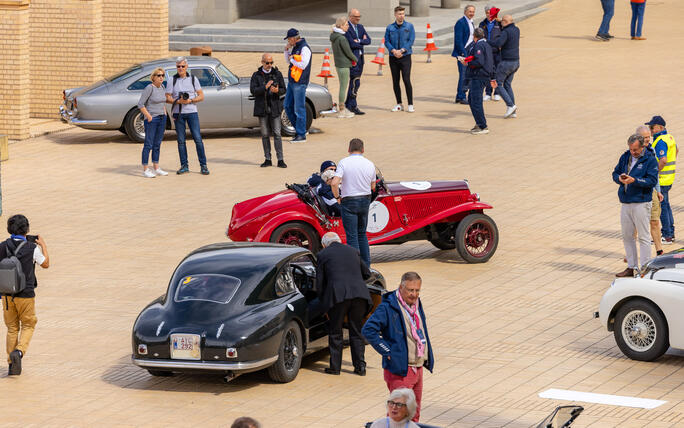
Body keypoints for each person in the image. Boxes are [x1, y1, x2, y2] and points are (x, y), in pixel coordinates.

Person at [362, 272, 434, 422]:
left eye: (417, 290)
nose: (414, 294)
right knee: (398, 416)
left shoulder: (416, 304)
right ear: (400, 287)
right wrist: (387, 351)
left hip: (417, 367)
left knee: (414, 414)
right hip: (400, 370)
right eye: (410, 290)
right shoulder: (388, 307)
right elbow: (368, 330)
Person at [316, 232, 372, 375]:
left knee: (335, 332)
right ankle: (360, 367)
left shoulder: (323, 254)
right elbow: (367, 273)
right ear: (339, 241)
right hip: (359, 295)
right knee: (356, 331)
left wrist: (323, 302)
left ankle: (335, 368)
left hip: (337, 297)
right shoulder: (353, 251)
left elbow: (319, 283)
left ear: (324, 244)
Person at [1, 215, 50, 376]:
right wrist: (42, 244)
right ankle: (19, 352)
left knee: (12, 328)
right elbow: (46, 264)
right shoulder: (32, 248)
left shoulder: (2, 247)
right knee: (28, 325)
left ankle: (11, 364)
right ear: (26, 230)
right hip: (26, 294)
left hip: (7, 295)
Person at [612, 134, 658, 277]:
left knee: (644, 237)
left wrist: (635, 180)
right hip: (626, 202)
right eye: (631, 149)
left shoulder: (650, 159)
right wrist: (619, 179)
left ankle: (644, 269)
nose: (633, 152)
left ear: (643, 146)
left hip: (641, 203)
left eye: (636, 149)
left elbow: (651, 181)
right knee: (627, 235)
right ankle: (631, 267)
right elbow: (615, 172)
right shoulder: (625, 156)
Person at [331, 138, 376, 267]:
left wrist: (337, 197)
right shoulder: (369, 164)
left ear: (349, 150)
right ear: (363, 150)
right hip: (365, 199)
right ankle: (366, 265)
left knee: (352, 236)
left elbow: (334, 183)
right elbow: (373, 186)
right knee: (362, 234)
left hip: (349, 200)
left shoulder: (344, 162)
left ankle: (354, 266)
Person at [165, 57, 209, 175]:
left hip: (191, 112)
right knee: (181, 141)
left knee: (198, 139)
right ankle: (184, 166)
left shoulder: (193, 79)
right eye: (178, 66)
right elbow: (167, 97)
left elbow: (201, 96)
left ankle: (203, 166)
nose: (180, 68)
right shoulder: (171, 80)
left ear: (187, 67)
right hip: (178, 113)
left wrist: (190, 100)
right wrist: (178, 101)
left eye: (182, 66)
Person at [250, 53, 287, 168]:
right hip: (262, 108)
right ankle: (267, 159)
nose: (269, 65)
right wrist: (265, 87)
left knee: (277, 133)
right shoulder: (256, 75)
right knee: (265, 134)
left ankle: (280, 159)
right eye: (267, 63)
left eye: (271, 63)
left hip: (274, 107)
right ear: (262, 62)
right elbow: (253, 90)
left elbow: (283, 89)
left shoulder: (277, 74)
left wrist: (277, 91)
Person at [647, 115, 678, 244]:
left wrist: (654, 172)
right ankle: (670, 232)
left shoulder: (660, 141)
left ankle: (667, 235)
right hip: (669, 177)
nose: (650, 130)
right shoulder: (669, 138)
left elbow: (663, 160)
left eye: (652, 127)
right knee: (667, 205)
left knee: (662, 206)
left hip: (662, 178)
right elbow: (676, 151)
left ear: (660, 127)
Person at [460, 27, 495, 135]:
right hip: (483, 75)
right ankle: (479, 122)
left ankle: (482, 126)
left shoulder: (479, 45)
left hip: (479, 76)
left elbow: (479, 61)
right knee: (471, 99)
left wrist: (467, 63)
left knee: (475, 101)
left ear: (474, 37)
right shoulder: (486, 44)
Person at [638, 125, 664, 256]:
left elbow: (655, 174)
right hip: (638, 192)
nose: (648, 139)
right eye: (645, 137)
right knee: (636, 225)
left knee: (655, 221)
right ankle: (630, 252)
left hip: (652, 190)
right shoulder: (633, 152)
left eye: (649, 137)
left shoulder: (652, 151)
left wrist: (658, 191)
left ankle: (659, 251)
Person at [384, 6, 416, 113]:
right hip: (393, 57)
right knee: (395, 81)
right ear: (395, 15)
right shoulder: (390, 28)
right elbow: (386, 41)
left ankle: (410, 104)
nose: (401, 15)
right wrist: (393, 51)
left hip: (405, 57)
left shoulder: (409, 26)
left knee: (406, 79)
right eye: (399, 14)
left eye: (403, 13)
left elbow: (411, 40)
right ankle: (399, 104)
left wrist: (401, 51)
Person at [138, 68, 168, 178]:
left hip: (161, 118)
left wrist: (164, 112)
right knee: (148, 144)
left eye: (163, 75)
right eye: (159, 75)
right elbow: (140, 104)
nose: (161, 77)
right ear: (153, 77)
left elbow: (162, 102)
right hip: (152, 120)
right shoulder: (149, 88)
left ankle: (156, 167)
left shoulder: (162, 87)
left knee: (157, 144)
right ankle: (145, 169)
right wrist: (149, 116)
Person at [283, 28, 312, 143]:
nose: (289, 42)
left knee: (299, 108)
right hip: (292, 81)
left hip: (300, 82)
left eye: (289, 39)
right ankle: (300, 130)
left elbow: (303, 64)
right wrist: (286, 51)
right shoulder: (295, 47)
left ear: (294, 38)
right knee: (287, 106)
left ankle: (301, 134)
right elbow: (287, 61)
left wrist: (292, 59)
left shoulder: (305, 48)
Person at [491, 15, 520, 119]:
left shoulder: (505, 32)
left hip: (506, 63)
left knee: (497, 84)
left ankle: (510, 105)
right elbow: (508, 25)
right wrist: (500, 21)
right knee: (507, 84)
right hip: (516, 62)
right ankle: (513, 111)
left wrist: (487, 41)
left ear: (506, 22)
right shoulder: (516, 29)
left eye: (503, 21)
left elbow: (499, 43)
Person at [330, 17, 358, 119]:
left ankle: (342, 108)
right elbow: (348, 52)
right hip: (344, 65)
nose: (348, 26)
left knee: (343, 86)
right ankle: (341, 110)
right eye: (346, 24)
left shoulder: (334, 36)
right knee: (343, 87)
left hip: (339, 64)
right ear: (341, 26)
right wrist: (355, 59)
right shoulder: (342, 38)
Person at [345, 9, 371, 115]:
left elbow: (368, 40)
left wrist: (359, 41)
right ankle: (353, 105)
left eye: (359, 16)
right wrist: (361, 41)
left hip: (361, 59)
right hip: (353, 59)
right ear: (350, 17)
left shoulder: (360, 27)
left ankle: (348, 104)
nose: (358, 18)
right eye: (356, 17)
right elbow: (351, 43)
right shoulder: (347, 27)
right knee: (356, 82)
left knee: (355, 82)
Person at [452, 5, 476, 104]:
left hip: (469, 52)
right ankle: (461, 97)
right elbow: (458, 40)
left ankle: (461, 95)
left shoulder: (471, 22)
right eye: (470, 11)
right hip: (462, 53)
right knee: (463, 75)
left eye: (473, 11)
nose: (472, 13)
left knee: (467, 75)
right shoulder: (460, 23)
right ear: (465, 12)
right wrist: (463, 53)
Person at [479, 7, 502, 102]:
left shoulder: (499, 24)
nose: (489, 15)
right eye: (487, 13)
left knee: (497, 72)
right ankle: (488, 93)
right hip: (486, 52)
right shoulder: (482, 24)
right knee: (488, 72)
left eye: (490, 13)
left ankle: (496, 92)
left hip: (497, 52)